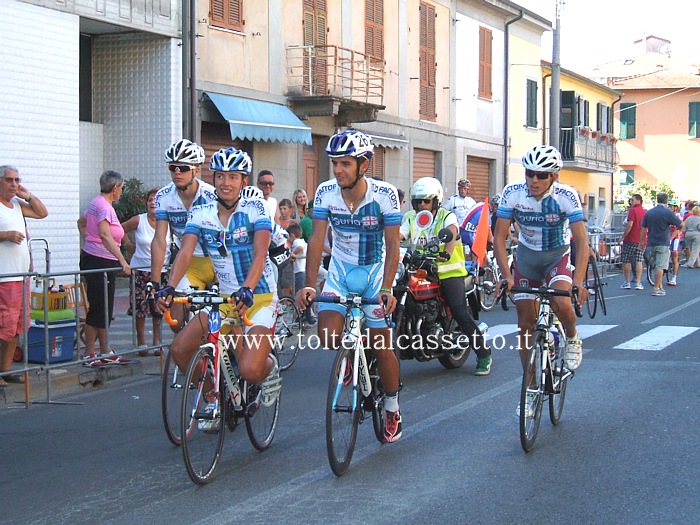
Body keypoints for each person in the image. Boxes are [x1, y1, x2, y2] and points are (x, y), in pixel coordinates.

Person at [156, 147, 280, 426]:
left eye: (233, 177)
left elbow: (261, 253)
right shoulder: (201, 213)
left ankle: (268, 369)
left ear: (243, 181)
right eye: (221, 176)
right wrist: (170, 287)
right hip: (223, 298)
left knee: (249, 370)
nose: (225, 182)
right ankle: (214, 396)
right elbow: (185, 252)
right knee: (180, 348)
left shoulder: (255, 208)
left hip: (258, 295)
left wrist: (247, 288)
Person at [296, 129, 404, 443]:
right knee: (328, 335)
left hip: (373, 273)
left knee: (382, 346)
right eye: (335, 163)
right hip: (340, 272)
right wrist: (309, 285)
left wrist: (387, 288)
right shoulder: (326, 192)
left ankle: (393, 407)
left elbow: (393, 245)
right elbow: (316, 240)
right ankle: (350, 357)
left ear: (364, 165)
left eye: (345, 163)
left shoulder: (384, 195)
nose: (338, 170)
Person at [493, 145, 588, 416]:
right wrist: (507, 276)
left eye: (541, 175)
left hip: (557, 256)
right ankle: (531, 391)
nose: (533, 180)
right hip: (527, 258)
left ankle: (571, 337)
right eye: (529, 173)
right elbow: (499, 238)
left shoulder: (566, 196)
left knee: (561, 302)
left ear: (554, 177)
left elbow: (581, 240)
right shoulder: (513, 193)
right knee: (525, 323)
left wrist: (579, 281)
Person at [400, 177, 492, 376]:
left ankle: (484, 354)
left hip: (448, 271)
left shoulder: (446, 216)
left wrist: (447, 253)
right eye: (418, 201)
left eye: (426, 200)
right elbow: (399, 235)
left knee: (460, 312)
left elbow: (452, 232)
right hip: (420, 270)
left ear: (436, 200)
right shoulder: (409, 217)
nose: (422, 204)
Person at [150, 139, 216, 330]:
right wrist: (155, 282)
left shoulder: (211, 196)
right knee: (176, 322)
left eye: (183, 168)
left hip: (217, 260)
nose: (177, 172)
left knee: (228, 320)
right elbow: (159, 240)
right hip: (189, 262)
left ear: (196, 170)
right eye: (173, 167)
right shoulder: (163, 196)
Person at [0, 165, 48, 385]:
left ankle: (6, 369)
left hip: (20, 276)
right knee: (3, 327)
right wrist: (5, 235)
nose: (13, 184)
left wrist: (26, 195)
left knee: (16, 327)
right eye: (9, 180)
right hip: (4, 277)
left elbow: (42, 212)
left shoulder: (17, 205)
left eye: (17, 180)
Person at [77, 170, 132, 365]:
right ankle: (90, 353)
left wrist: (88, 242)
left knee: (104, 308)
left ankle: (104, 350)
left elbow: (82, 222)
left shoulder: (98, 203)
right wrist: (122, 260)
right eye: (122, 188)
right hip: (100, 260)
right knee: (100, 308)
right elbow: (105, 234)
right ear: (115, 188)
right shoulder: (103, 206)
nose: (121, 192)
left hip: (99, 258)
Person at [121, 188, 170, 355]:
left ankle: (157, 341)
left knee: (158, 308)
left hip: (162, 270)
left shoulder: (167, 222)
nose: (152, 203)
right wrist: (129, 246)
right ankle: (141, 341)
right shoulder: (139, 220)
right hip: (140, 270)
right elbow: (120, 230)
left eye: (156, 199)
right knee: (140, 308)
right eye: (150, 200)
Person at [639, 192, 682, 296]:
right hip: (663, 242)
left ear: (657, 199)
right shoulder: (667, 212)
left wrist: (641, 241)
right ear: (666, 201)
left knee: (654, 264)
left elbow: (642, 227)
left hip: (651, 242)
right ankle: (656, 288)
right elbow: (681, 224)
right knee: (660, 265)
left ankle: (660, 287)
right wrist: (674, 234)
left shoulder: (649, 212)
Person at [287, 222, 316, 325]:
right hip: (304, 269)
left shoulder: (297, 242)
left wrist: (293, 254)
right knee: (306, 294)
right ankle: (309, 314)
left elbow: (300, 248)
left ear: (292, 235)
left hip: (299, 271)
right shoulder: (304, 241)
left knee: (300, 293)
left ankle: (305, 314)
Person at [619, 193, 646, 290]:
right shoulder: (645, 211)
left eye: (632, 200)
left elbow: (630, 224)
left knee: (627, 260)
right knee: (639, 260)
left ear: (638, 200)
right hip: (641, 240)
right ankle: (638, 282)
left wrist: (623, 237)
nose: (631, 201)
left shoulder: (632, 210)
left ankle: (627, 282)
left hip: (630, 239)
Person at [667, 198, 683, 286]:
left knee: (674, 256)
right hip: (668, 236)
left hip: (676, 237)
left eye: (671, 207)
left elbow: (677, 229)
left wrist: (670, 239)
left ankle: (674, 278)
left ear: (675, 207)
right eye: (668, 206)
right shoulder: (667, 215)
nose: (669, 208)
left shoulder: (678, 216)